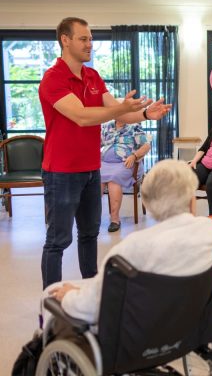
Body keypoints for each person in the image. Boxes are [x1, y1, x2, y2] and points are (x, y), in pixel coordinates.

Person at [38, 17, 171, 289]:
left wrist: (145, 113)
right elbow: (83, 117)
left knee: (89, 235)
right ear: (65, 40)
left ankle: (90, 292)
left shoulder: (93, 76)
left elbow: (118, 110)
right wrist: (122, 109)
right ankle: (49, 299)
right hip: (61, 172)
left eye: (90, 39)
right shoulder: (53, 79)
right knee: (58, 241)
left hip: (90, 169)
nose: (90, 44)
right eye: (83, 39)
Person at [46, 159, 212, 324]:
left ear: (147, 202)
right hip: (183, 322)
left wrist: (70, 295)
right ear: (192, 199)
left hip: (140, 331)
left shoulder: (131, 248)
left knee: (52, 294)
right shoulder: (210, 230)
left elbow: (91, 306)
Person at [100, 120, 151, 232]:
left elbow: (147, 146)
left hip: (126, 163)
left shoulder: (134, 126)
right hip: (105, 163)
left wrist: (134, 155)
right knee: (95, 178)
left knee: (114, 178)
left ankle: (115, 219)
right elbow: (97, 142)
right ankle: (92, 217)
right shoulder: (107, 126)